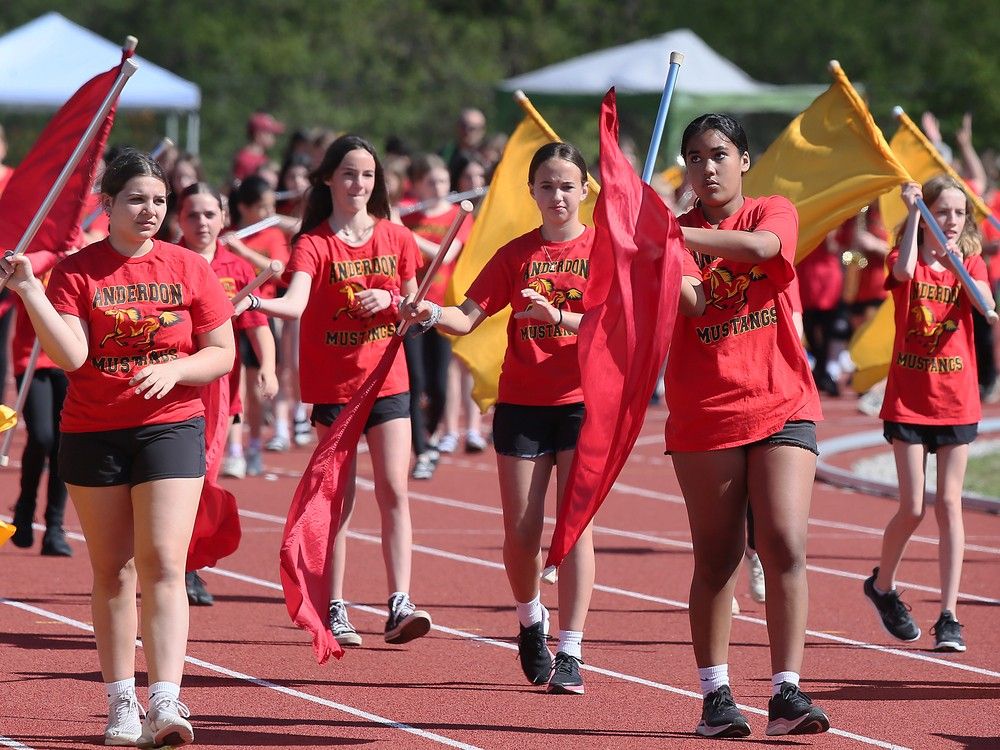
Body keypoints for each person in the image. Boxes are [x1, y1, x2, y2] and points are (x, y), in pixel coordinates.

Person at [403, 142, 703, 695]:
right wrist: (428, 313)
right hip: (522, 402)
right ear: (533, 193)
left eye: (568, 185)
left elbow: (617, 321)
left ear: (586, 189)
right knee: (522, 534)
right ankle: (529, 620)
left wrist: (559, 314)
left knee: (575, 528)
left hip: (584, 401)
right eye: (547, 186)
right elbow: (466, 319)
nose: (558, 195)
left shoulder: (607, 250)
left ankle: (572, 649)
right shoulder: (516, 254)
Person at [0, 148, 235, 747]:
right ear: (107, 205)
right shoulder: (78, 272)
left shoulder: (189, 267)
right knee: (114, 570)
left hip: (171, 424)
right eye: (137, 199)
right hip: (94, 429)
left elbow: (222, 352)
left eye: (159, 200)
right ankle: (120, 705)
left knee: (163, 560)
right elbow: (72, 357)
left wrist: (177, 369)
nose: (151, 210)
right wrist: (30, 292)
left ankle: (167, 701)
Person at [663, 114, 830, 737]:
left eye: (720, 154)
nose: (708, 166)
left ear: (744, 160)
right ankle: (716, 696)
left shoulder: (771, 210)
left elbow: (765, 252)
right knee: (718, 557)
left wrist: (677, 236)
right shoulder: (669, 241)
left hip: (783, 401)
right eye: (695, 157)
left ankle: (786, 693)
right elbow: (696, 303)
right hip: (708, 412)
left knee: (784, 539)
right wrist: (657, 246)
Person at [242, 134, 432, 648]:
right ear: (328, 179)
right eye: (349, 173)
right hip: (336, 386)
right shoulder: (314, 243)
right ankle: (337, 603)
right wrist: (255, 304)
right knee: (340, 498)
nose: (358, 183)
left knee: (395, 486)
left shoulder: (396, 237)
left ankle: (400, 602)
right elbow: (297, 302)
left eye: (367, 175)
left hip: (387, 379)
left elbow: (415, 308)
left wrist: (392, 301)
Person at [863, 177, 994, 654]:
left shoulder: (971, 261)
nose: (953, 221)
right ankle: (883, 585)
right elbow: (901, 271)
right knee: (914, 506)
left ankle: (949, 615)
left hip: (956, 400)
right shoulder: (910, 262)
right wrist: (914, 213)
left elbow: (985, 303)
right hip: (910, 401)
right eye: (943, 212)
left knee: (950, 505)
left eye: (959, 213)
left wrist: (963, 266)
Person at [177, 181, 278, 605]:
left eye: (209, 214)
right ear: (178, 219)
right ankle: (165, 564)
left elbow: (257, 326)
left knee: (204, 480)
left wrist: (269, 369)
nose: (202, 222)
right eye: (192, 215)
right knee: (172, 480)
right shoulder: (167, 260)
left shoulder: (236, 267)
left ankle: (189, 567)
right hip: (174, 383)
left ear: (223, 218)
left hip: (219, 391)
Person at [401, 154, 472, 479]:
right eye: (431, 182)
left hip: (443, 310)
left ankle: (429, 435)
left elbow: (446, 255)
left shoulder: (459, 216)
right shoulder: (408, 216)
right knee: (414, 383)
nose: (439, 187)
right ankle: (422, 449)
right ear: (417, 185)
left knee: (439, 386)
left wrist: (403, 234)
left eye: (443, 181)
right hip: (411, 310)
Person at [8, 270, 71, 557]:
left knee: (65, 444)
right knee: (43, 436)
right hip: (32, 359)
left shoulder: (79, 257)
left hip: (70, 358)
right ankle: (25, 506)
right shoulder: (35, 259)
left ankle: (55, 527)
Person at [232, 111, 285, 183]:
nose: (274, 138)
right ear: (259, 134)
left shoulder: (263, 157)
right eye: (271, 133)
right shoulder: (245, 158)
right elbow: (236, 184)